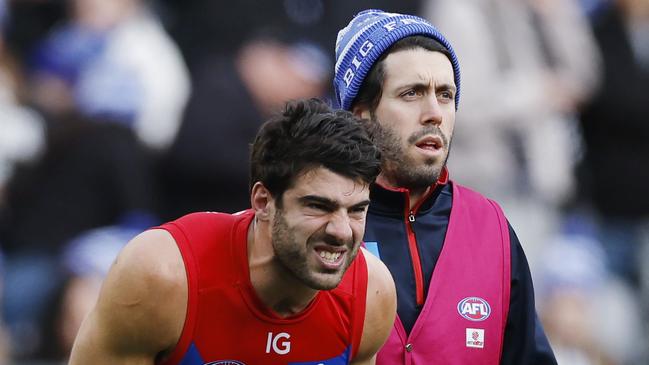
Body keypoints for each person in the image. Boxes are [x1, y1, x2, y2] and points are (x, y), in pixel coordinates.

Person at [68, 98, 397, 365]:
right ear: (263, 201)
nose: (342, 231)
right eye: (318, 206)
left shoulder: (371, 294)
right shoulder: (163, 275)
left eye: (357, 210)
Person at [334, 9, 557, 364]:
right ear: (361, 114)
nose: (434, 112)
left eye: (446, 95)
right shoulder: (320, 222)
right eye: (412, 93)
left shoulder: (491, 226)